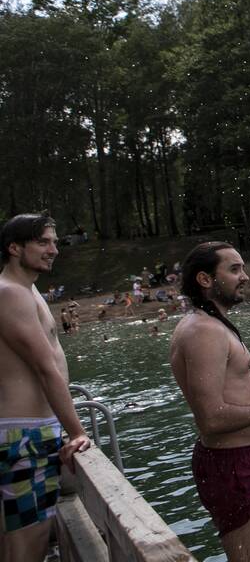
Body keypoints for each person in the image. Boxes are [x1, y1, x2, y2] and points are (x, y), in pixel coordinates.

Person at [169, 242, 250, 561]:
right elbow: (210, 418)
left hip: (239, 461)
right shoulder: (203, 331)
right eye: (234, 269)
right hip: (234, 464)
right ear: (205, 279)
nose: (245, 276)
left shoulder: (209, 324)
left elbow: (221, 393)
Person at [0, 214, 92, 561]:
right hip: (25, 436)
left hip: (22, 431)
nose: (54, 249)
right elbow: (45, 368)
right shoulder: (11, 293)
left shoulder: (27, 288)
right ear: (14, 248)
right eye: (43, 242)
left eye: (54, 241)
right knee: (29, 544)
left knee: (13, 542)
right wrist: (77, 431)